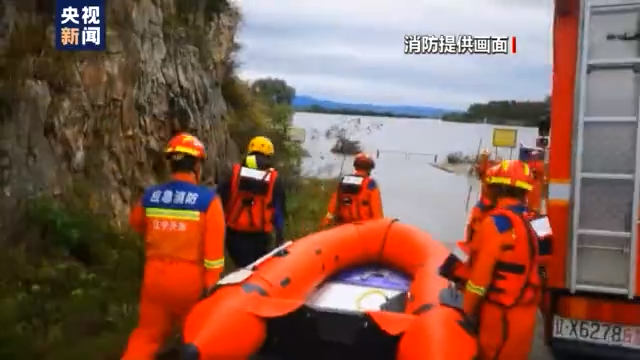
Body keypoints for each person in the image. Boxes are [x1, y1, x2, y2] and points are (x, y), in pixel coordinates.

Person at [121, 133, 226, 360]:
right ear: (197, 165)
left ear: (171, 163)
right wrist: (211, 287)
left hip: (154, 277)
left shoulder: (151, 195)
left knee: (146, 336)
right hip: (189, 281)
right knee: (195, 340)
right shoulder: (208, 201)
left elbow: (137, 223)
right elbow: (214, 256)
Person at [461, 159, 542, 360]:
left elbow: (480, 279)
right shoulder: (540, 221)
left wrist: (467, 311)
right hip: (526, 311)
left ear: (497, 188)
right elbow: (546, 259)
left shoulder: (495, 224)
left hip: (498, 314)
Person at [217, 135, 286, 267]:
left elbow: (219, 201)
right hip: (260, 237)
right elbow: (278, 213)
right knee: (256, 268)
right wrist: (280, 239)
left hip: (234, 236)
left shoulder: (233, 173)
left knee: (242, 266)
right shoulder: (274, 179)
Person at [321, 152, 383, 226]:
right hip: (364, 228)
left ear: (355, 166)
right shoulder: (370, 184)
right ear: (370, 168)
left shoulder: (343, 180)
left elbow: (332, 207)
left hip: (343, 226)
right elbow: (377, 213)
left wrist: (325, 223)